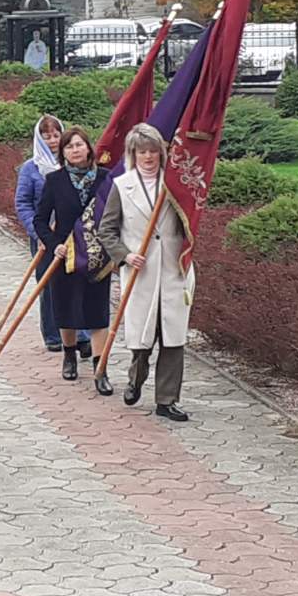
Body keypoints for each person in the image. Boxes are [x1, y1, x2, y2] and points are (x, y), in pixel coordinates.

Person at [97, 124, 193, 421]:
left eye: (153, 151)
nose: (148, 157)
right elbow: (107, 230)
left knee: (173, 337)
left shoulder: (176, 184)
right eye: (142, 152)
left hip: (174, 271)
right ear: (133, 154)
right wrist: (125, 255)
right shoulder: (122, 185)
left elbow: (192, 220)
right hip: (141, 272)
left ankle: (166, 399)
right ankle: (135, 379)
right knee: (143, 337)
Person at [34, 127, 114, 394]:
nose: (75, 150)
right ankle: (69, 355)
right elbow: (40, 219)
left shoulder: (105, 179)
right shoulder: (55, 180)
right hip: (65, 255)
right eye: (69, 147)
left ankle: (100, 368)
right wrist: (54, 245)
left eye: (79, 145)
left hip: (97, 255)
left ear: (89, 148)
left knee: (98, 311)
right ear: (63, 153)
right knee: (65, 306)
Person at [14, 114, 90, 354]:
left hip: (75, 235)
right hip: (45, 235)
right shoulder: (31, 168)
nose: (52, 140)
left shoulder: (73, 166)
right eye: (47, 136)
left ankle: (82, 334)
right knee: (49, 284)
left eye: (57, 135)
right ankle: (53, 334)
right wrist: (38, 233)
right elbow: (23, 203)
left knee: (79, 281)